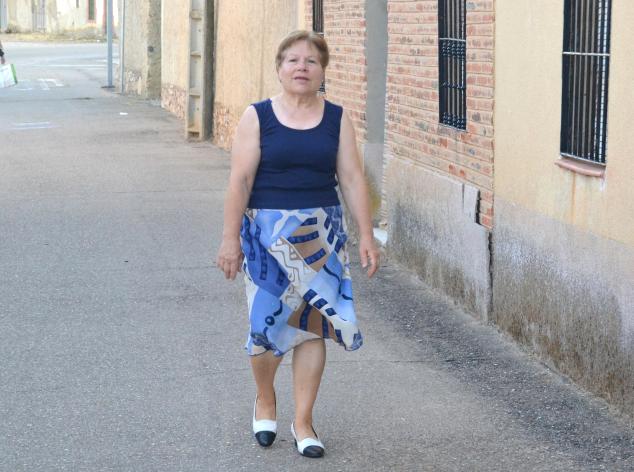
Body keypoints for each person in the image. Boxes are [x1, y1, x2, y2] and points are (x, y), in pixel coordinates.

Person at [216, 30, 379, 459]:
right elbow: (240, 180)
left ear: (323, 70)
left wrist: (366, 234)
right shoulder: (258, 116)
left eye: (311, 61)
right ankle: (265, 397)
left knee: (312, 327)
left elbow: (352, 179)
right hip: (265, 236)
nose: (302, 67)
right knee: (265, 327)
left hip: (321, 236)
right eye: (292, 60)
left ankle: (303, 421)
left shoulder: (337, 119)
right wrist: (230, 239)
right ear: (279, 68)